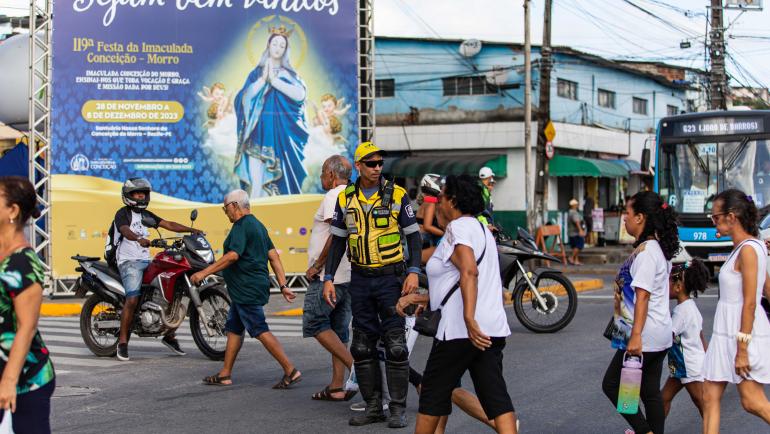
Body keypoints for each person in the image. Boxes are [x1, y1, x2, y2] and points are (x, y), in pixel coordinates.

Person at [396, 174, 517, 434]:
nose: (437, 203)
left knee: (431, 393)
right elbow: (459, 281)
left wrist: (469, 319)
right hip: (491, 329)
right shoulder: (482, 229)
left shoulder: (458, 228)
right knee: (496, 398)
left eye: (440, 197)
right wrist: (421, 298)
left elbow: (469, 272)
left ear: (452, 201)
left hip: (460, 332)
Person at [323, 141, 422, 428]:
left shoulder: (397, 195)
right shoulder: (346, 199)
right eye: (371, 163)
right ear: (358, 166)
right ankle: (374, 406)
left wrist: (414, 271)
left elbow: (414, 237)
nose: (377, 168)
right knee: (362, 346)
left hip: (391, 279)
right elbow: (339, 240)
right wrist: (328, 278)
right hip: (361, 280)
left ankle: (398, 409)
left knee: (395, 346)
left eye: (380, 163)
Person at [192, 189, 301, 388]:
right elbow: (274, 256)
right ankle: (225, 373)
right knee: (234, 328)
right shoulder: (258, 225)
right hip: (247, 288)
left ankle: (290, 370)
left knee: (259, 329)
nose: (226, 213)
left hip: (246, 288)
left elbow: (233, 255)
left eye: (226, 209)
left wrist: (204, 273)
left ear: (234, 206)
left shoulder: (242, 226)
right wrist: (283, 285)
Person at [602, 191, 680, 434]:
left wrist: (635, 336)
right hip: (657, 334)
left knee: (613, 386)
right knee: (648, 392)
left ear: (640, 217)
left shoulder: (647, 254)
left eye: (628, 213)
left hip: (643, 337)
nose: (624, 218)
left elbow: (643, 296)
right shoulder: (653, 249)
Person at [702, 189, 770, 433]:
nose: (713, 222)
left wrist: (742, 350)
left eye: (715, 217)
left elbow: (751, 302)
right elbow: (769, 288)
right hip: (725, 332)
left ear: (732, 217)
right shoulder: (746, 247)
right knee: (709, 394)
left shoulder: (749, 250)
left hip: (742, 334)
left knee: (752, 401)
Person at [114, 177, 201, 362]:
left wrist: (191, 231)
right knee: (132, 299)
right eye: (138, 193)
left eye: (144, 193)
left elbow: (168, 224)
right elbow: (124, 230)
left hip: (146, 260)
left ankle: (169, 335)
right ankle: (122, 342)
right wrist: (138, 239)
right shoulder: (122, 214)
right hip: (129, 262)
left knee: (178, 292)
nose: (141, 196)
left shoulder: (148, 216)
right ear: (129, 196)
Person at [0, 177, 55, 433]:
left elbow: (26, 327)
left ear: (12, 210)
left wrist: (9, 381)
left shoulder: (24, 263)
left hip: (24, 381)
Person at [303, 155, 356, 401]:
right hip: (347, 275)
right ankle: (336, 387)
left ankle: (356, 369)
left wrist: (318, 265)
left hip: (329, 276)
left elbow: (335, 235)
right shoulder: (353, 195)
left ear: (332, 175)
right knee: (338, 330)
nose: (322, 178)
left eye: (323, 173)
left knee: (314, 322)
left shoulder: (334, 195)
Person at [234, 26, 309, 197]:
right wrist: (263, 80)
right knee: (256, 182)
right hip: (257, 133)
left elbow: (300, 95)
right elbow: (244, 99)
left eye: (282, 46)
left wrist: (274, 81)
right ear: (268, 45)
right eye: (275, 44)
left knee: (277, 183)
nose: (277, 48)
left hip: (282, 136)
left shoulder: (289, 74)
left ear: (285, 50)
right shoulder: (256, 74)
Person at [662, 259, 709, 418]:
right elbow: (701, 336)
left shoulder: (681, 312)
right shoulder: (690, 306)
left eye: (668, 281)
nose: (665, 286)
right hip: (681, 366)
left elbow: (667, 337)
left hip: (689, 366)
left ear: (678, 286)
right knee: (663, 399)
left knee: (702, 403)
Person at [567, 198, 586, 266]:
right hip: (575, 233)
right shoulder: (573, 212)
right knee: (579, 246)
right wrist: (580, 230)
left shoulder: (571, 212)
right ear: (574, 205)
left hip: (572, 233)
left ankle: (576, 260)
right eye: (576, 204)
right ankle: (571, 257)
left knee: (575, 247)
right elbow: (577, 222)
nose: (577, 205)